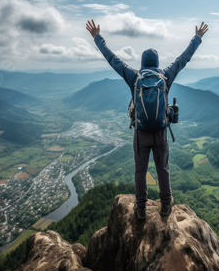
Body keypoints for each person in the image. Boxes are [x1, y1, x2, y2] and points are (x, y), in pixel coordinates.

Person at [86, 19, 208, 220]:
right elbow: (183, 59)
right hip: (160, 131)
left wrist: (97, 37)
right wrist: (197, 38)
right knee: (163, 169)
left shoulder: (134, 77)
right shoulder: (166, 76)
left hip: (141, 133)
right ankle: (166, 205)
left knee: (140, 171)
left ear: (142, 62)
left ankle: (140, 209)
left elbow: (113, 59)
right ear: (157, 62)